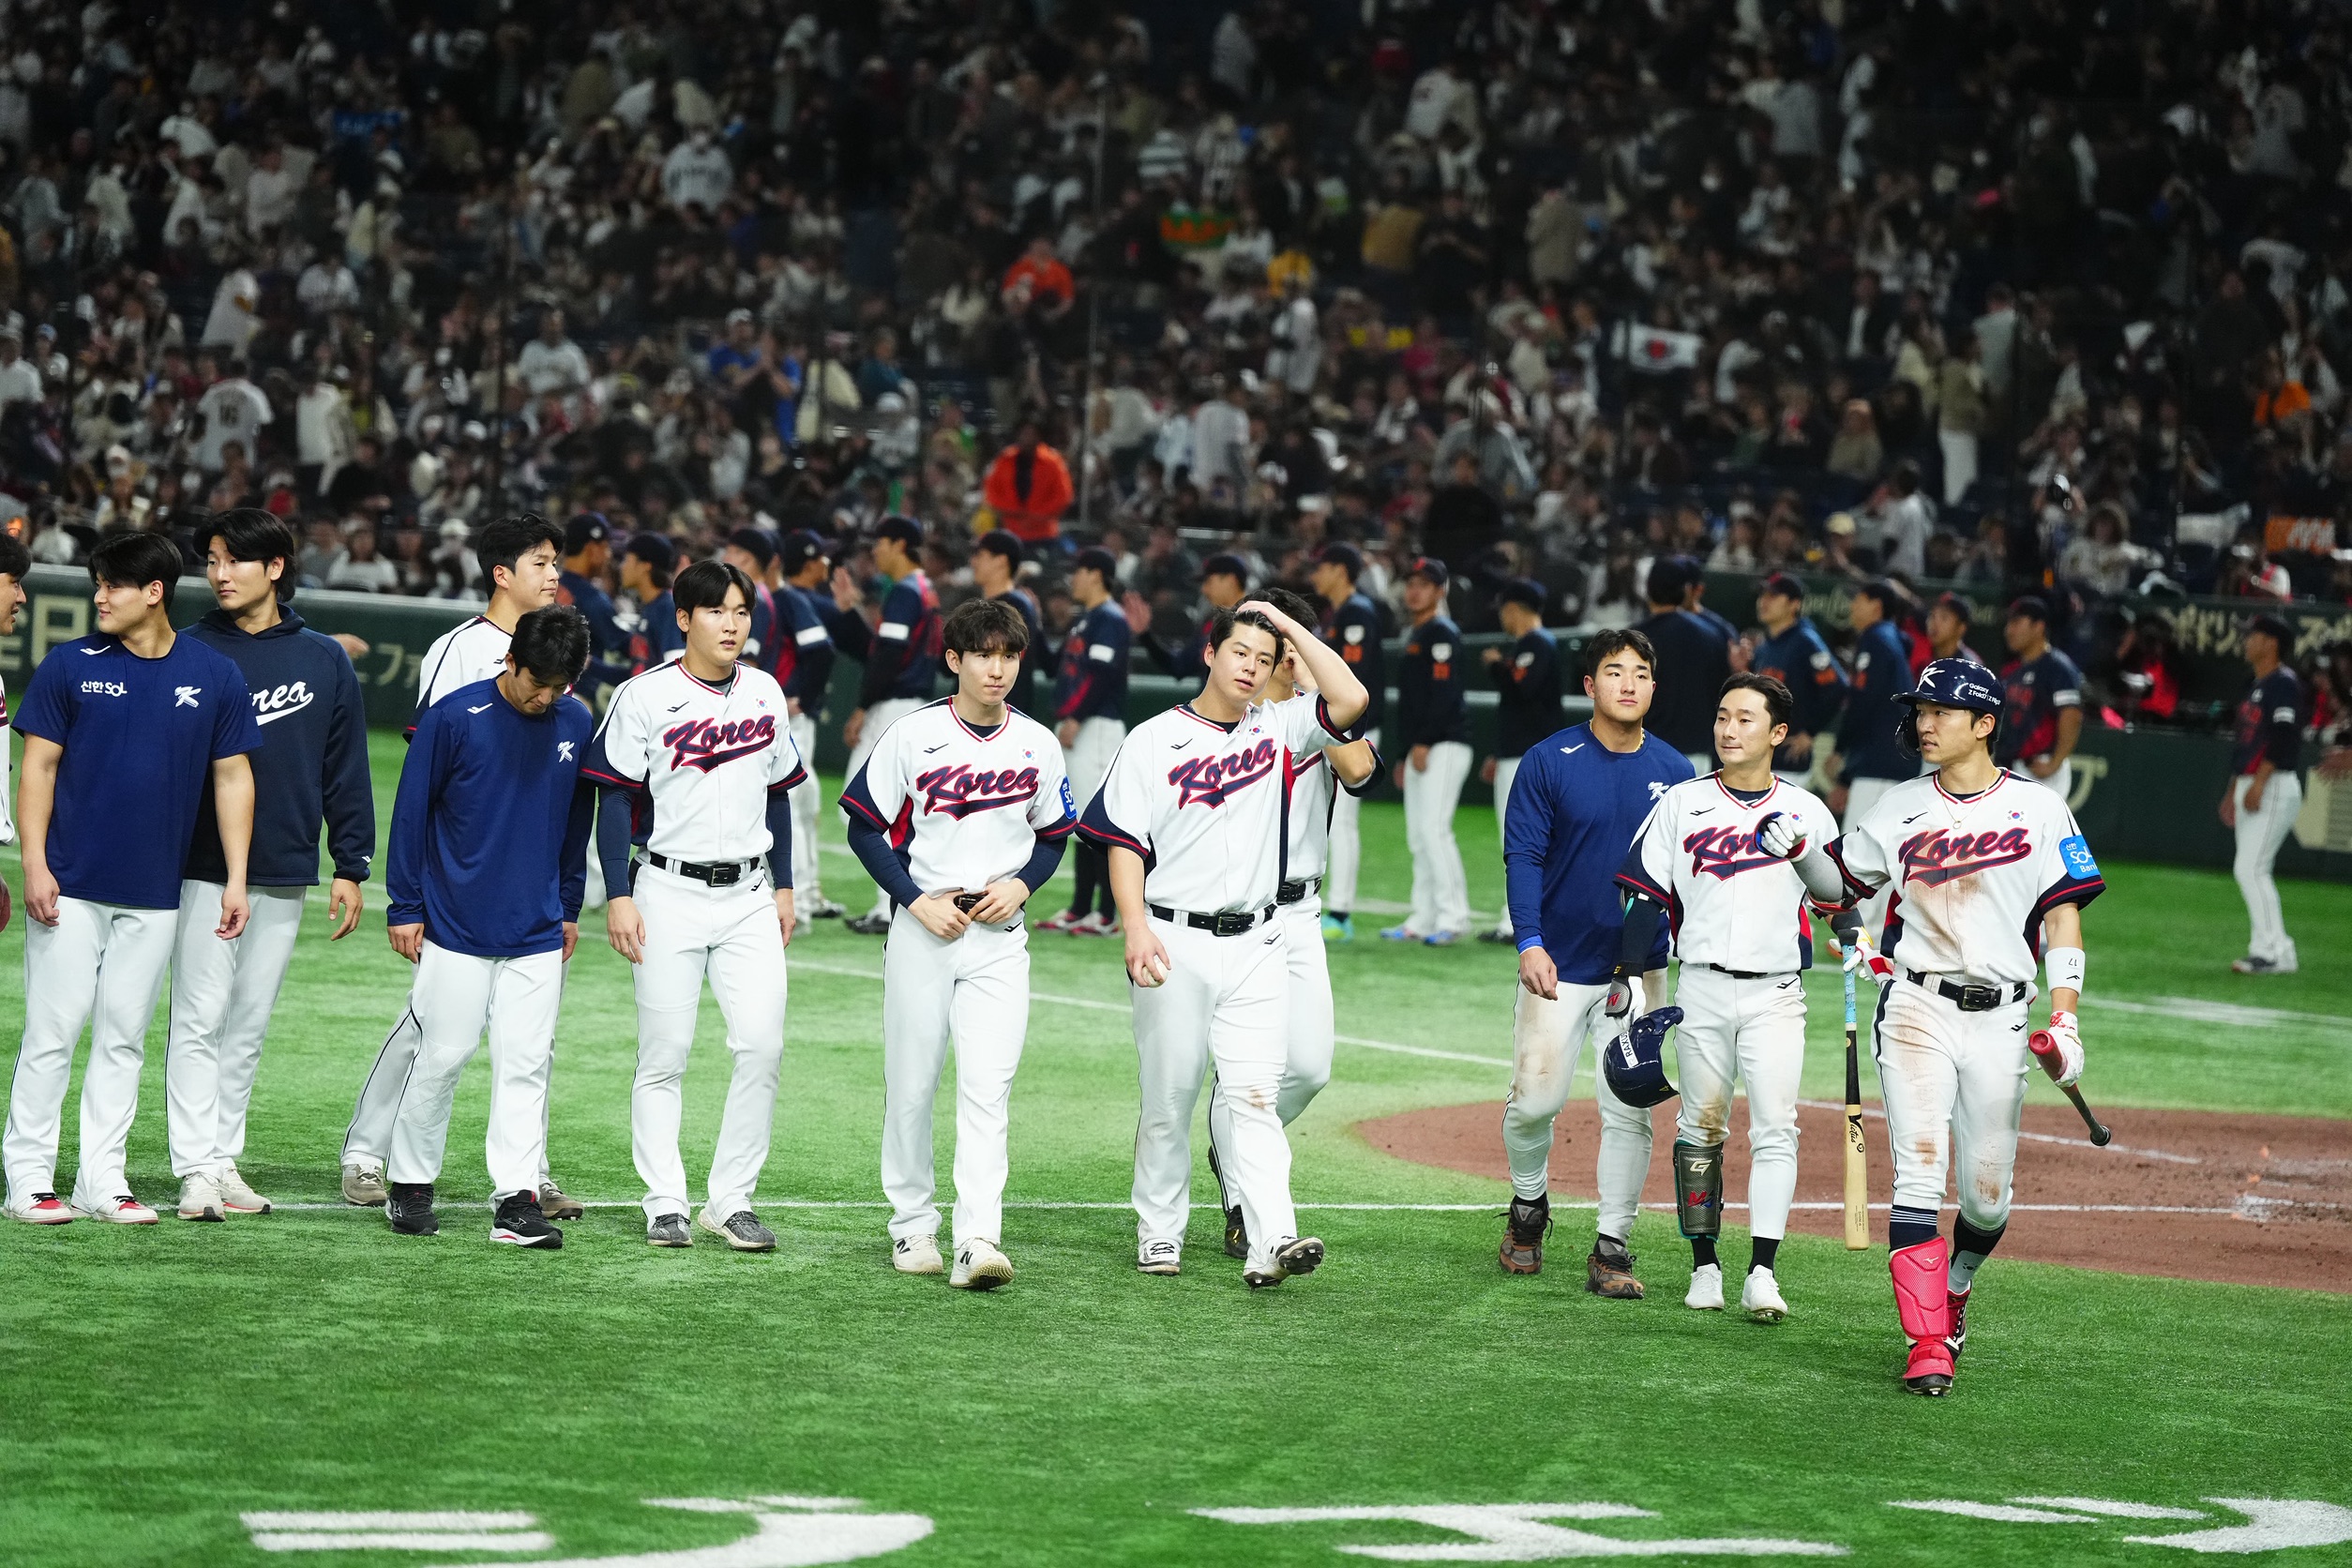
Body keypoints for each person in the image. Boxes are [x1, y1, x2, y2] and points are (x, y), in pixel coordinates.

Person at [1795, 657, 2103, 1396]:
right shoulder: (1899, 806)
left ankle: (1956, 1287)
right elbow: (1842, 890)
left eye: (1941, 711)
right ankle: (1927, 1342)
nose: (1924, 723)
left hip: (2003, 1020)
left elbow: (2062, 916)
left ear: (1985, 723)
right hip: (1916, 1010)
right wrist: (1804, 855)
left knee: (1988, 1198)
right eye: (1920, 710)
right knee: (1919, 1174)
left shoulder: (2039, 809)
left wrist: (2066, 1020)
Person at [1079, 599, 1368, 1286]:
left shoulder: (1280, 727)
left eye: (1264, 660)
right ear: (1210, 654)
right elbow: (1123, 843)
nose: (1251, 667)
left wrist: (1286, 626)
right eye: (1240, 651)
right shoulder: (1154, 739)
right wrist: (1133, 924)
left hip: (1260, 941)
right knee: (1171, 1095)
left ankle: (1275, 1238)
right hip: (1174, 939)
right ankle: (1160, 1231)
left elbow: (1349, 697)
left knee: (1255, 1094)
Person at [4, 534, 262, 1226]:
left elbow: (234, 777)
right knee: (53, 1033)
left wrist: (236, 878)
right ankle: (28, 1179)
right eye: (97, 585)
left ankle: (101, 1180)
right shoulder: (69, 666)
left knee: (123, 1038)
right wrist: (34, 862)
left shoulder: (214, 675)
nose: (98, 597)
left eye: (111, 585)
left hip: (156, 893)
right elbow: (37, 769)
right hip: (70, 885)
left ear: (153, 592)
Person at [342, 514, 579, 1215]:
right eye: (540, 563)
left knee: (526, 1046)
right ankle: (366, 1152)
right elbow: (430, 773)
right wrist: (415, 897)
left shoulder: (557, 654)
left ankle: (527, 1171)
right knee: (429, 1033)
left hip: (521, 891)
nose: (554, 574)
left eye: (557, 563)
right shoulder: (462, 651)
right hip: (458, 884)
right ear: (501, 572)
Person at [840, 598, 1077, 1289]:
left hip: (999, 938)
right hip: (925, 932)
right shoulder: (913, 734)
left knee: (987, 1088)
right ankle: (912, 1227)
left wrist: (1026, 884)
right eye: (983, 654)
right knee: (913, 1086)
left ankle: (977, 1237)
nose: (996, 668)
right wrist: (913, 900)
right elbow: (863, 826)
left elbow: (1055, 831)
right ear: (955, 659)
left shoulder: (1037, 741)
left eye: (1008, 656)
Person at [588, 562, 807, 1253]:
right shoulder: (644, 695)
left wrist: (785, 884)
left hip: (747, 895)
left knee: (762, 1045)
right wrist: (618, 894)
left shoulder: (765, 691)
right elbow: (615, 795)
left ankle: (731, 1199)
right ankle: (664, 1201)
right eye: (716, 611)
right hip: (666, 890)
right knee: (666, 1053)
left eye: (741, 611)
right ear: (683, 619)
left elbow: (779, 791)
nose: (732, 623)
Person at [169, 510, 373, 1222]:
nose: (220, 574)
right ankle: (194, 1165)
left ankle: (223, 1157)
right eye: (213, 561)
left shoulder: (322, 658)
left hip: (284, 861)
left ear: (276, 568)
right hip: (199, 864)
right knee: (199, 1018)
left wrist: (351, 862)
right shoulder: (187, 648)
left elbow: (345, 767)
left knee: (247, 1023)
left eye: (235, 561)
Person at [1615, 674, 1837, 1321]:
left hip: (1777, 996)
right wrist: (1630, 975)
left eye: (1745, 719)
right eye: (1721, 716)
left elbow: (1835, 895)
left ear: (1777, 735)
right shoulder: (1682, 804)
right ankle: (1704, 1266)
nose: (1728, 729)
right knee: (1700, 1130)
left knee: (1777, 1130)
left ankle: (1761, 1273)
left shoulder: (1808, 813)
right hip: (1702, 990)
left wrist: (1850, 930)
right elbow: (1645, 895)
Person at [383, 607, 596, 1247]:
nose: (545, 697)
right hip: (453, 925)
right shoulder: (453, 718)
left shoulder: (576, 721)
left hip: (536, 929)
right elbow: (410, 814)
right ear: (510, 661)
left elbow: (574, 822)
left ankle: (516, 1198)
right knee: (442, 1057)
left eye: (560, 686)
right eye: (537, 681)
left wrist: (569, 905)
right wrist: (404, 906)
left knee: (526, 1065)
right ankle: (411, 1185)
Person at [1497, 628, 1694, 1299]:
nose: (1629, 683)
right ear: (1590, 686)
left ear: (1653, 688)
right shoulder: (1549, 760)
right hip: (1560, 962)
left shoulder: (1678, 772)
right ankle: (1528, 1206)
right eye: (1615, 672)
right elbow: (1521, 854)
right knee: (1534, 1104)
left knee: (1628, 1110)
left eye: (1641, 672)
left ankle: (1613, 1246)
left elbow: (1687, 876)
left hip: (1638, 972)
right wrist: (1530, 942)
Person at [1204, 588, 1380, 1259]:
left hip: (1300, 907)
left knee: (1308, 1067)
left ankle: (1233, 1147)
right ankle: (1246, 1205)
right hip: (1237, 913)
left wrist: (1307, 674)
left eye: (1291, 640)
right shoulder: (1236, 714)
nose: (1278, 653)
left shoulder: (1311, 717)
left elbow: (1359, 768)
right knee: (1241, 1075)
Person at [840, 516, 943, 935]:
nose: (875, 551)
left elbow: (886, 659)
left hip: (894, 707)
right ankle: (895, 901)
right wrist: (849, 615)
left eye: (881, 543)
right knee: (897, 807)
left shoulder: (904, 592)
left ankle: (891, 904)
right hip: (912, 704)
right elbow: (881, 650)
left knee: (870, 807)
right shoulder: (923, 589)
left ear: (900, 544)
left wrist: (862, 706)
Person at [1038, 547, 1132, 938]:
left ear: (1096, 575)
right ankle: (1081, 908)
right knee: (1078, 821)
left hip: (1097, 728)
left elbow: (1101, 675)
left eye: (1078, 572)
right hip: (1082, 725)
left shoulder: (1109, 618)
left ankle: (1106, 914)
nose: (1072, 579)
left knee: (1099, 820)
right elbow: (1052, 665)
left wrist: (1075, 716)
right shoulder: (1087, 620)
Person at [1383, 557, 1473, 945]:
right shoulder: (1417, 633)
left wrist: (1423, 741)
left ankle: (1454, 917)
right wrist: (1407, 752)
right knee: (1420, 835)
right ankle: (1423, 917)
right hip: (1423, 746)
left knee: (1435, 831)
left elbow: (1445, 695)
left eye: (1424, 584)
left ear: (1441, 591)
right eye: (1411, 583)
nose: (1414, 590)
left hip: (1445, 743)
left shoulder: (1442, 634)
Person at [2221, 614, 2304, 975]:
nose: (2246, 641)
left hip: (2272, 783)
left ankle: (2274, 952)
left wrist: (2258, 782)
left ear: (2272, 643)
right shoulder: (2256, 684)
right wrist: (2233, 789)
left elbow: (2284, 738)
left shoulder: (2282, 684)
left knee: (2251, 868)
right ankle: (2269, 948)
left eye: (2252, 636)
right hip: (2252, 781)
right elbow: (2246, 742)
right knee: (2251, 868)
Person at [1310, 543, 1385, 942]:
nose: (1315, 575)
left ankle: (1340, 912)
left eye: (1322, 566)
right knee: (1336, 820)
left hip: (1355, 728)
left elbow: (1352, 677)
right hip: (1344, 726)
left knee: (1343, 822)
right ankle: (1335, 908)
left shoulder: (1357, 612)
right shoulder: (1342, 613)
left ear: (1341, 570)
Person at [1481, 579, 1561, 943]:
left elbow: (1523, 689)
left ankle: (1519, 922)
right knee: (1521, 840)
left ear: (1515, 608)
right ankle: (1518, 920)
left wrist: (1498, 666)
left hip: (1528, 757)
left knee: (1519, 841)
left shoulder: (1537, 643)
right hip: (1521, 754)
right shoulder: (1534, 645)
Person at [776, 532, 846, 922]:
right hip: (787, 719)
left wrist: (802, 699)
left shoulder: (791, 599)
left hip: (791, 717)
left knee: (800, 802)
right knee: (800, 803)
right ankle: (802, 897)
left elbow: (825, 650)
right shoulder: (788, 599)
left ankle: (803, 896)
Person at [1826, 580, 1920, 826]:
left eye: (1859, 600)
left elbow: (1862, 703)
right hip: (1894, 762)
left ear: (1876, 606)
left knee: (1858, 854)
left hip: (1880, 766)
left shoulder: (1876, 640)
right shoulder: (1891, 639)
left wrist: (1840, 754)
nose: (1853, 605)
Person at [1633, 559, 1733, 774]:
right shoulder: (1713, 635)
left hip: (1645, 753)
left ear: (1648, 589)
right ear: (1685, 591)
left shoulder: (1634, 639)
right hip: (1696, 756)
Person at [1749, 573, 1847, 788]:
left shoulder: (1805, 640)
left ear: (1794, 604)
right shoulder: (1766, 646)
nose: (1763, 601)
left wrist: (1810, 732)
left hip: (1788, 762)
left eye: (1773, 596)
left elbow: (1837, 688)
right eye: (1762, 595)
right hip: (1761, 758)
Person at [1996, 596, 2083, 796]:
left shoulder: (2057, 668)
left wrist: (2055, 762)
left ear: (2039, 627)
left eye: (2017, 622)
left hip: (2040, 768)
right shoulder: (2011, 670)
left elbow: (2071, 715)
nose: (2009, 630)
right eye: (2008, 623)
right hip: (2012, 766)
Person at [1127, 553, 1248, 678]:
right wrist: (1145, 635)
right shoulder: (1212, 623)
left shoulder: (1256, 622)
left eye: (1209, 581)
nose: (1204, 590)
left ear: (1231, 580)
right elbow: (1179, 666)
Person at [555, 512, 632, 701]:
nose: (608, 555)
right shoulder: (591, 598)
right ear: (592, 548)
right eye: (605, 547)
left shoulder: (549, 585)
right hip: (577, 698)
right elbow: (629, 646)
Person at [970, 531, 1045, 717]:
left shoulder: (1015, 606)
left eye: (980, 555)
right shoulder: (981, 606)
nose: (973, 562)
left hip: (1001, 718)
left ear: (1001, 561)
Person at [620, 532, 685, 674]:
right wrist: (590, 665)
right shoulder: (651, 606)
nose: (622, 567)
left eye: (627, 560)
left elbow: (677, 670)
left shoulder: (668, 608)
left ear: (645, 565)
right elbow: (638, 675)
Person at [1925, 592, 1983, 665]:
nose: (1935, 623)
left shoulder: (1970, 666)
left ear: (1961, 628)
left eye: (1944, 617)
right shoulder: (1921, 661)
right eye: (1932, 616)